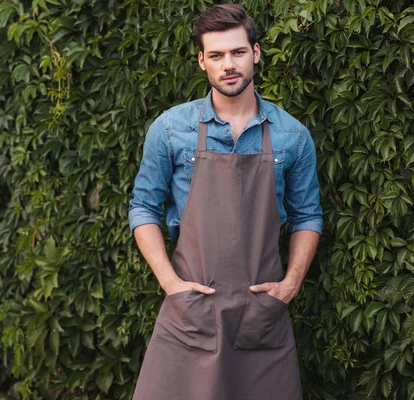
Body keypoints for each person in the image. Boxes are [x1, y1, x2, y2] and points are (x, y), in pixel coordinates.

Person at [128, 4, 323, 399]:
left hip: (261, 317)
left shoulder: (293, 136)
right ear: (202, 61)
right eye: (216, 55)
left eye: (237, 52)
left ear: (256, 52)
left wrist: (292, 283)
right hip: (190, 315)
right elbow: (143, 207)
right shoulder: (170, 130)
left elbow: (307, 216)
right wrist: (171, 284)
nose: (228, 64)